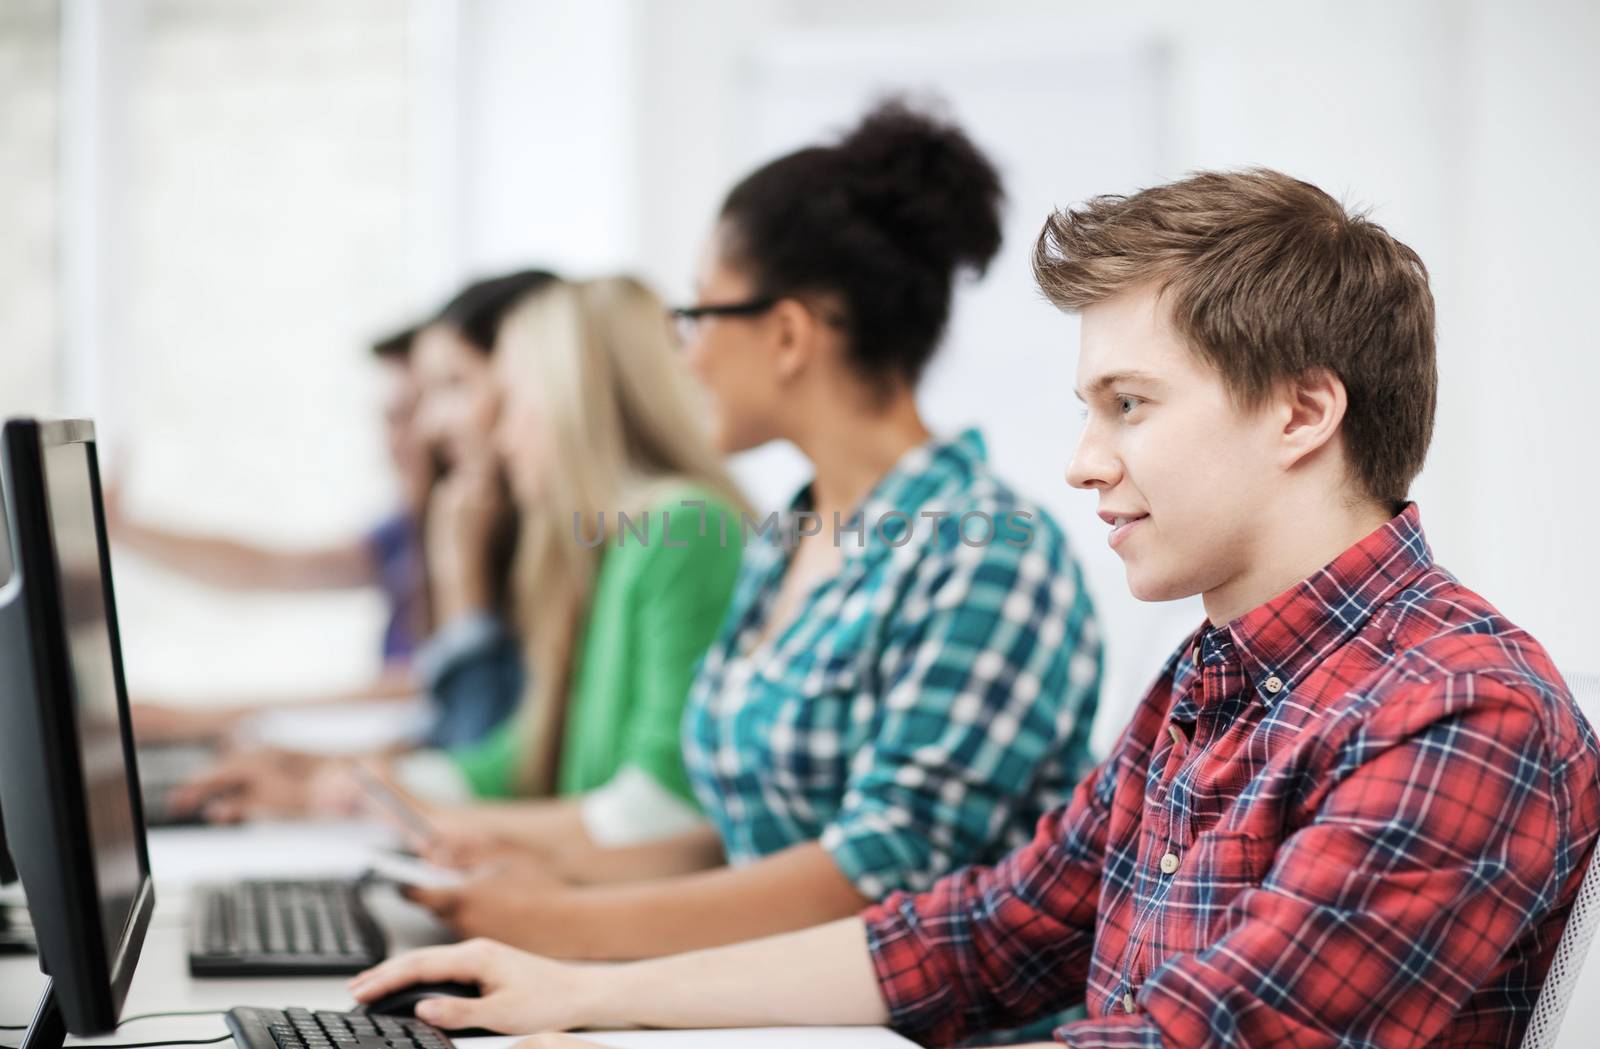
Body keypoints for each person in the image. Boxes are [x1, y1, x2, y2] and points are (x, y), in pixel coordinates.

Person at [350, 169, 1600, 1048]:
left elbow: (1201, 1037)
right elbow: (986, 929)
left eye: (1129, 403)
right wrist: (584, 991)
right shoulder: (1213, 677)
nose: (1080, 461)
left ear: (1301, 412)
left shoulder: (1455, 710)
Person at [395, 100, 1103, 963]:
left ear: (788, 333)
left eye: (700, 311)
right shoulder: (786, 540)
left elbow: (874, 873)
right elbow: (743, 839)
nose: (685, 353)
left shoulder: (986, 553)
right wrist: (553, 872)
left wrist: (563, 924)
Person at [176, 276, 749, 860]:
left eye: (512, 403)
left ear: (568, 403)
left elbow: (658, 810)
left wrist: (405, 809)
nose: (498, 440)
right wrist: (344, 785)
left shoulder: (680, 528)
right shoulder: (611, 544)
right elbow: (519, 756)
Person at [114, 324, 432, 743]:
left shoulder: (478, 539)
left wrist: (200, 719)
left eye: (406, 417)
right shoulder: (409, 529)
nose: (391, 444)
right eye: (388, 420)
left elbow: (422, 690)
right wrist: (119, 529)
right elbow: (268, 569)